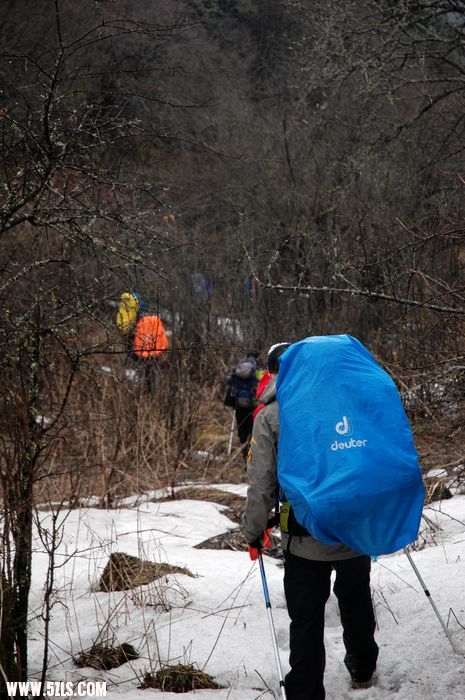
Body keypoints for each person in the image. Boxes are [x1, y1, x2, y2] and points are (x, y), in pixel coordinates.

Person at [242, 342, 379, 700]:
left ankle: (305, 691)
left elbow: (262, 482)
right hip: (353, 526)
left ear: (272, 373)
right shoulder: (342, 399)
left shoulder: (270, 415)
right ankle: (363, 668)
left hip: (304, 537)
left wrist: (253, 531)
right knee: (356, 598)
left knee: (306, 618)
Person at [224, 349, 262, 459]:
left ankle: (242, 443)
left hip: (238, 403)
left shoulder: (238, 367)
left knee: (241, 425)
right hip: (252, 404)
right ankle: (249, 449)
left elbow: (228, 381)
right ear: (257, 357)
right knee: (251, 426)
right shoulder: (257, 369)